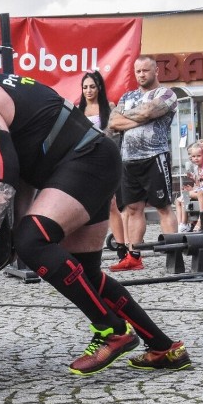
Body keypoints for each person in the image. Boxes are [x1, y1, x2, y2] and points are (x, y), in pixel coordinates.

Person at [0, 36, 191, 375]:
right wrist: (15, 225)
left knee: (33, 241)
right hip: (94, 160)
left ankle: (111, 331)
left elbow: (3, 168)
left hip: (83, 164)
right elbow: (28, 164)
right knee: (84, 271)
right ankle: (164, 347)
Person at [108, 55, 178, 271]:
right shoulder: (128, 96)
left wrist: (129, 118)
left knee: (163, 206)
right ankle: (134, 256)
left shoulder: (166, 94)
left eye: (145, 70)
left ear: (156, 70)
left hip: (155, 156)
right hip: (128, 159)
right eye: (138, 71)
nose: (141, 75)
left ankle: (174, 254)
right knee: (132, 208)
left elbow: (149, 110)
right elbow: (113, 122)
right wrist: (141, 117)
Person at [78, 71, 126, 262]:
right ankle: (84, 248)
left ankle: (122, 247)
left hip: (105, 159)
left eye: (92, 86)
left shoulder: (110, 108)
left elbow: (114, 135)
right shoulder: (77, 110)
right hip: (84, 161)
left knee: (112, 203)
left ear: (99, 88)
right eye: (85, 87)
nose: (88, 90)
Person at [174, 142, 203, 233]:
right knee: (178, 200)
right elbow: (198, 184)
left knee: (185, 197)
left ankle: (184, 223)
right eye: (194, 156)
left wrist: (193, 189)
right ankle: (180, 224)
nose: (196, 159)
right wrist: (192, 186)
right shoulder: (196, 168)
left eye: (198, 156)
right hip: (199, 190)